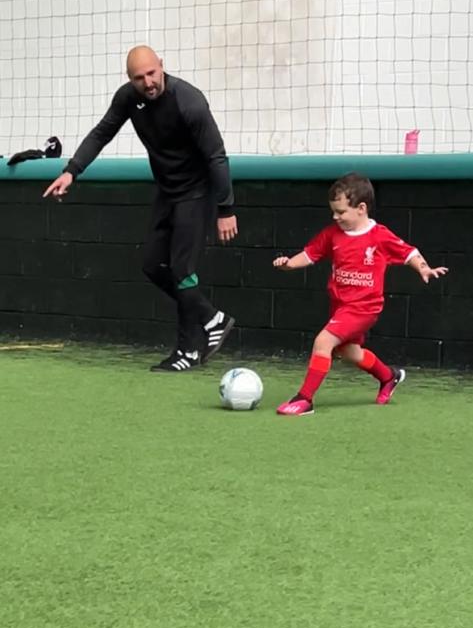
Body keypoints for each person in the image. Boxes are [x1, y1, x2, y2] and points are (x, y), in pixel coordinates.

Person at [43, 46, 238, 371]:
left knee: (182, 270)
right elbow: (102, 132)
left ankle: (188, 351)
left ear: (161, 66)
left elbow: (217, 156)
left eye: (151, 73)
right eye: (139, 78)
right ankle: (211, 317)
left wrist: (226, 209)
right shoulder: (127, 98)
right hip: (167, 191)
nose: (148, 82)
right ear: (129, 79)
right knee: (152, 265)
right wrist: (71, 171)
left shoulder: (188, 101)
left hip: (196, 192)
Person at [273, 172, 448, 416]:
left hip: (364, 308)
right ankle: (388, 376)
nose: (335, 217)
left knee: (323, 342)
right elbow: (310, 254)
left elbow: (409, 253)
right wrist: (289, 264)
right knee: (349, 352)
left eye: (341, 212)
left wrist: (424, 268)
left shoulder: (379, 236)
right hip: (340, 305)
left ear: (361, 208)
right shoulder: (332, 234)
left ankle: (304, 399)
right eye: (333, 211)